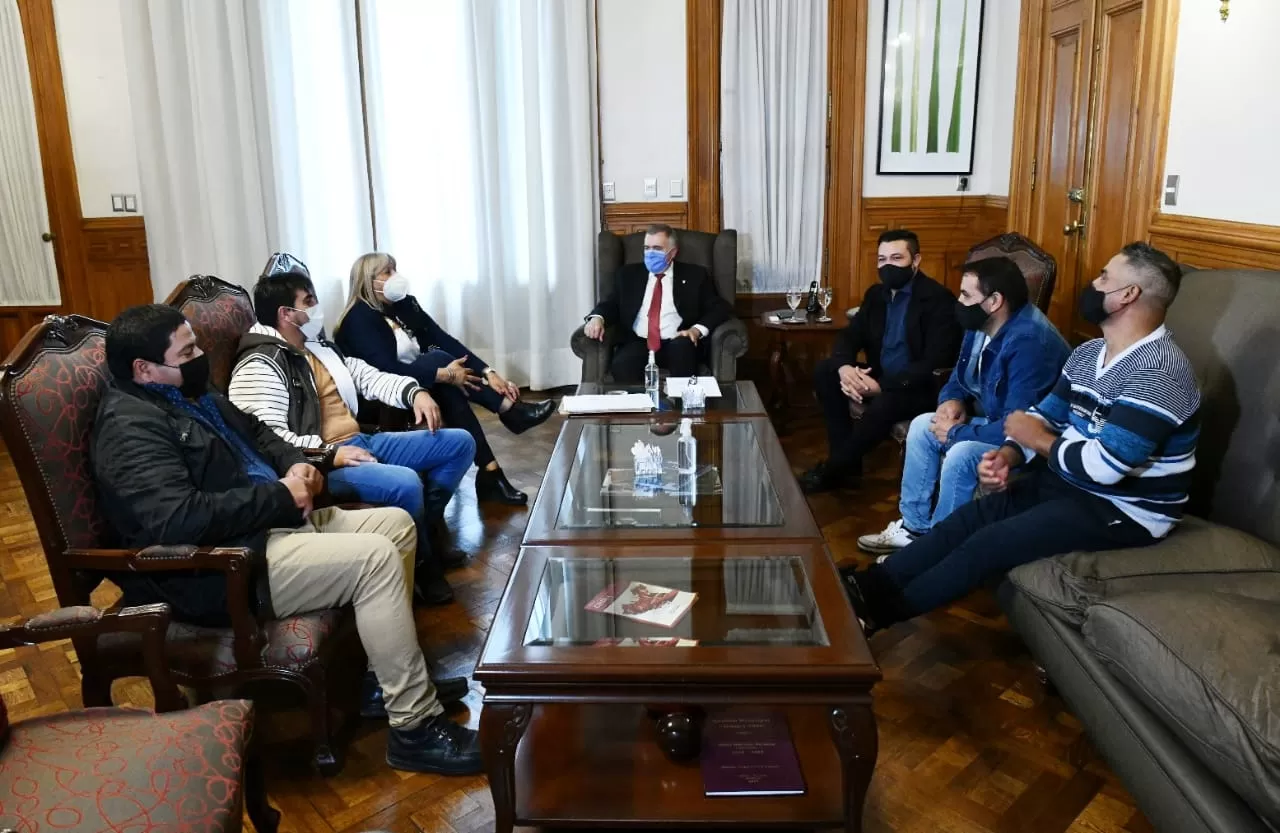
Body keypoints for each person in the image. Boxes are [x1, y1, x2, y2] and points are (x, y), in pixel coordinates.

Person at [91, 304, 483, 775]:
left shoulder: (185, 392)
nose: (199, 357)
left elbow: (256, 431)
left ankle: (386, 683)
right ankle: (415, 729)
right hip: (224, 566)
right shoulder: (130, 427)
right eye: (187, 350)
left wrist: (295, 464)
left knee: (395, 525)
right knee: (375, 559)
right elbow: (177, 521)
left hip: (267, 525)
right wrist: (280, 495)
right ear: (144, 368)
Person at [842, 243, 1201, 635]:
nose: (1093, 283)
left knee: (991, 542)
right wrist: (1010, 455)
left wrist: (1038, 440)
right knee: (974, 516)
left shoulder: (1160, 371)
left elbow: (1106, 467)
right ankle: (866, 587)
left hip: (1124, 510)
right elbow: (1045, 415)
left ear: (1128, 295)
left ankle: (876, 617)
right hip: (1069, 484)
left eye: (1103, 276)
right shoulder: (1089, 353)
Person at [228, 253, 475, 606]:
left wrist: (415, 392)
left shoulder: (317, 348)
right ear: (285, 314)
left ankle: (424, 535)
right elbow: (263, 437)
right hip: (326, 462)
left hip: (362, 440)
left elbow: (366, 376)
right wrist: (332, 454)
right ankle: (423, 565)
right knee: (405, 482)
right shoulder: (261, 364)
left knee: (458, 444)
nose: (317, 308)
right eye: (309, 302)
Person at [857, 256, 1070, 556]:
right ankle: (914, 529)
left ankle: (939, 548)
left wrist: (957, 433)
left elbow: (1019, 427)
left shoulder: (1030, 342)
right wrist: (951, 400)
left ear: (995, 300)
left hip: (1033, 443)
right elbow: (959, 374)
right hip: (992, 421)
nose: (959, 301)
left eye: (966, 295)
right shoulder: (979, 320)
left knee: (961, 453)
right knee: (922, 425)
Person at [333, 252, 554, 506]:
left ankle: (491, 471)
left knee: (444, 376)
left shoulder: (404, 305)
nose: (395, 277)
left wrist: (487, 372)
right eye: (387, 272)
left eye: (395, 269)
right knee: (439, 363)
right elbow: (385, 369)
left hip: (419, 382)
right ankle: (506, 418)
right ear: (369, 281)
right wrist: (444, 374)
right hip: (382, 393)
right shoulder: (358, 319)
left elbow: (441, 338)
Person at [800, 229, 962, 493]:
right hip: (880, 375)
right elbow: (851, 335)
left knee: (886, 402)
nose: (888, 266)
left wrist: (881, 387)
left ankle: (833, 469)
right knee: (825, 371)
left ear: (916, 260)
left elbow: (936, 360)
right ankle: (848, 464)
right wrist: (845, 368)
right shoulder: (877, 294)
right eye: (882, 259)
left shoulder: (938, 300)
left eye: (896, 258)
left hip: (917, 387)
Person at [582, 223, 732, 382]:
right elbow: (611, 304)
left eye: (657, 248)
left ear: (672, 252)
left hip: (678, 341)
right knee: (622, 364)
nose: (650, 253)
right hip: (639, 342)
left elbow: (719, 308)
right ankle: (638, 406)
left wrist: (696, 330)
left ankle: (681, 404)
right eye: (647, 248)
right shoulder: (627, 275)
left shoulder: (695, 275)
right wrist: (597, 318)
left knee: (682, 349)